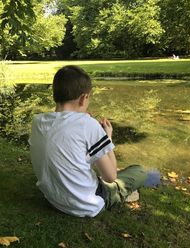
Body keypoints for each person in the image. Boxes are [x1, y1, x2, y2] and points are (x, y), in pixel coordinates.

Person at [29, 65, 158, 218]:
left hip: (53, 200)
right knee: (139, 171)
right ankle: (120, 194)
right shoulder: (87, 124)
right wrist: (107, 138)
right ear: (84, 98)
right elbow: (110, 177)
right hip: (86, 205)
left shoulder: (38, 122)